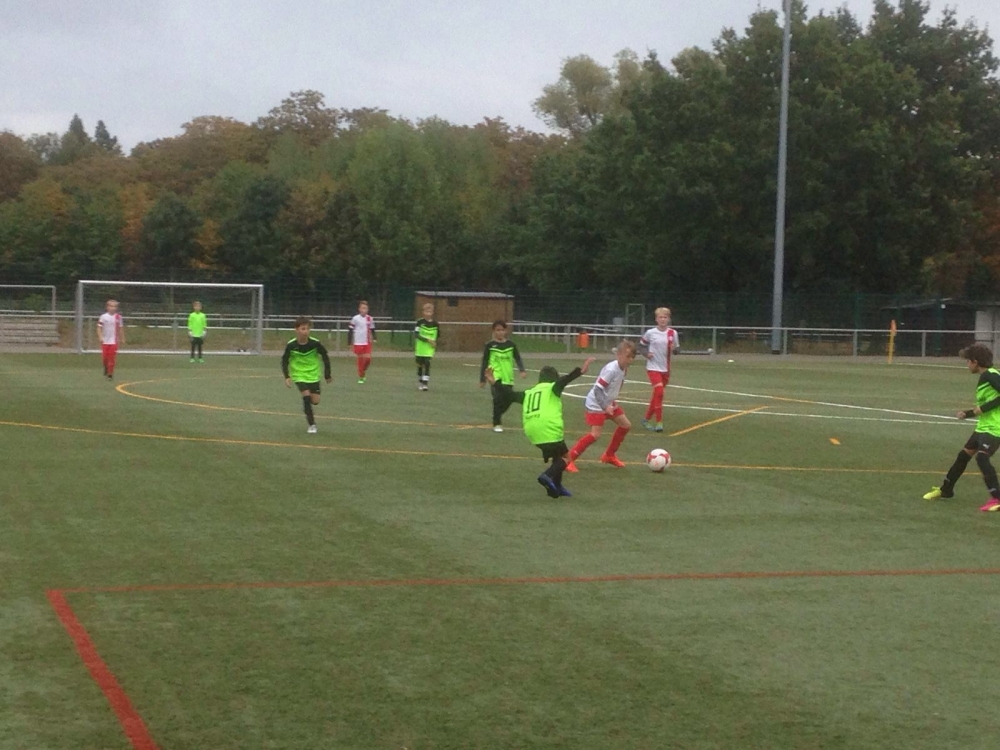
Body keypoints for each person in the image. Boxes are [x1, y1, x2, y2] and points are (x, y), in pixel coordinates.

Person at [486, 357, 596, 497]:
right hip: (548, 429)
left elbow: (509, 395)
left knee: (557, 456)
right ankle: (547, 476)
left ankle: (557, 487)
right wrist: (581, 371)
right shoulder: (552, 388)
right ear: (553, 379)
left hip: (531, 432)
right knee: (566, 457)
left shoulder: (529, 393)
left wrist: (493, 382)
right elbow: (565, 379)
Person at [923, 344, 1000, 512]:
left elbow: (988, 405)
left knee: (982, 458)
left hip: (995, 428)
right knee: (963, 456)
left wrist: (979, 410)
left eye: (968, 361)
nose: (967, 365)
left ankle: (997, 498)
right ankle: (946, 490)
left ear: (975, 362)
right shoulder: (987, 376)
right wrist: (968, 413)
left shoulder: (990, 375)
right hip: (984, 426)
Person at [566, 340, 637, 470]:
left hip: (608, 403)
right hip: (596, 404)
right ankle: (568, 460)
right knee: (595, 435)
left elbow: (616, 386)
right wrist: (605, 407)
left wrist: (612, 401)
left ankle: (609, 455)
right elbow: (597, 390)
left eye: (632, 357)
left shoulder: (624, 369)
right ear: (619, 355)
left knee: (625, 425)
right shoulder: (611, 369)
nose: (630, 360)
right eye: (628, 356)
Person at [281, 317, 332, 434]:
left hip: (313, 374)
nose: (305, 331)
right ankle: (312, 424)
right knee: (306, 395)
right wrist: (287, 376)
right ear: (296, 330)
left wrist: (327, 374)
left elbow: (325, 356)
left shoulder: (315, 343)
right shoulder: (291, 345)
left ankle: (306, 405)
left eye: (307, 329)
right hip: (299, 375)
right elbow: (284, 360)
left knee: (315, 401)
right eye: (303, 329)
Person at [479, 320, 527, 432]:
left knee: (508, 399)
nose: (500, 332)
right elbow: (485, 362)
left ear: (505, 331)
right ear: (493, 331)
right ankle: (497, 423)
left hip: (508, 377)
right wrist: (482, 379)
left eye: (502, 330)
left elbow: (517, 358)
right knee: (497, 399)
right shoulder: (490, 345)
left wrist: (522, 370)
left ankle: (497, 415)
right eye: (497, 330)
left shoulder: (511, 345)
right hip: (495, 377)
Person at [639, 307, 680, 432]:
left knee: (657, 396)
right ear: (656, 319)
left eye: (665, 317)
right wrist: (647, 354)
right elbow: (641, 346)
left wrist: (674, 349)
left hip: (665, 369)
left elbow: (677, 350)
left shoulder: (673, 333)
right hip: (653, 367)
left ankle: (645, 419)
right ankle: (659, 422)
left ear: (668, 319)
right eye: (660, 317)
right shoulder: (650, 333)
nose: (663, 319)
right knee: (659, 391)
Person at [348, 300, 376, 384]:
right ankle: (361, 376)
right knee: (360, 360)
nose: (364, 310)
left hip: (367, 342)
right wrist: (349, 341)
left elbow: (372, 329)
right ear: (359, 309)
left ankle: (363, 371)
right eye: (363, 308)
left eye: (366, 308)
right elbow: (350, 330)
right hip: (358, 342)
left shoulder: (370, 318)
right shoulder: (355, 318)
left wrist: (375, 337)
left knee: (368, 359)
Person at [414, 302, 440, 391]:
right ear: (423, 312)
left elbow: (437, 335)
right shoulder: (419, 322)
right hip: (420, 347)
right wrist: (428, 340)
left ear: (432, 312)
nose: (428, 314)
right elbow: (416, 335)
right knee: (420, 365)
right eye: (426, 312)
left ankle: (425, 384)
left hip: (429, 348)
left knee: (427, 363)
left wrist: (435, 342)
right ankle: (420, 381)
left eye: (430, 312)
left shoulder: (435, 324)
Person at [97, 299, 124, 380]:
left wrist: (122, 338)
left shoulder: (118, 317)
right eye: (111, 306)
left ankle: (110, 374)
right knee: (105, 357)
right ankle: (106, 368)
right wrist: (100, 336)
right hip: (105, 341)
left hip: (114, 341)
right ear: (107, 307)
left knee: (111, 358)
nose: (113, 308)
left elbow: (120, 328)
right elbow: (99, 327)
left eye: (115, 306)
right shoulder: (103, 317)